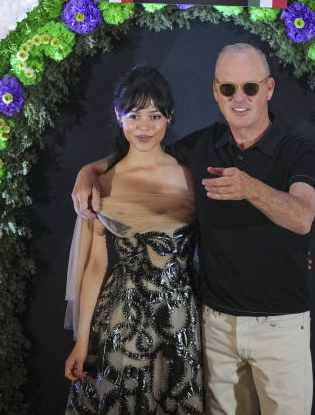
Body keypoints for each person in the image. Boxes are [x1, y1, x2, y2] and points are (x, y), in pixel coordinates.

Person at [72, 43, 315, 415]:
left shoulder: (297, 150)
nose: (239, 98)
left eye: (250, 88)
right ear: (216, 92)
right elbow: (144, 150)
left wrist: (249, 187)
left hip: (279, 326)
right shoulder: (201, 148)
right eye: (228, 88)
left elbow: (302, 216)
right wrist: (88, 172)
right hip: (214, 324)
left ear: (268, 89)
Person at [64, 65, 203, 414]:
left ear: (169, 117)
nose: (144, 126)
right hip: (121, 319)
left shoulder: (190, 174)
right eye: (135, 115)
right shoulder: (103, 183)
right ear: (119, 116)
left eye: (154, 115)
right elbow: (96, 267)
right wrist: (82, 342)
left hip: (182, 316)